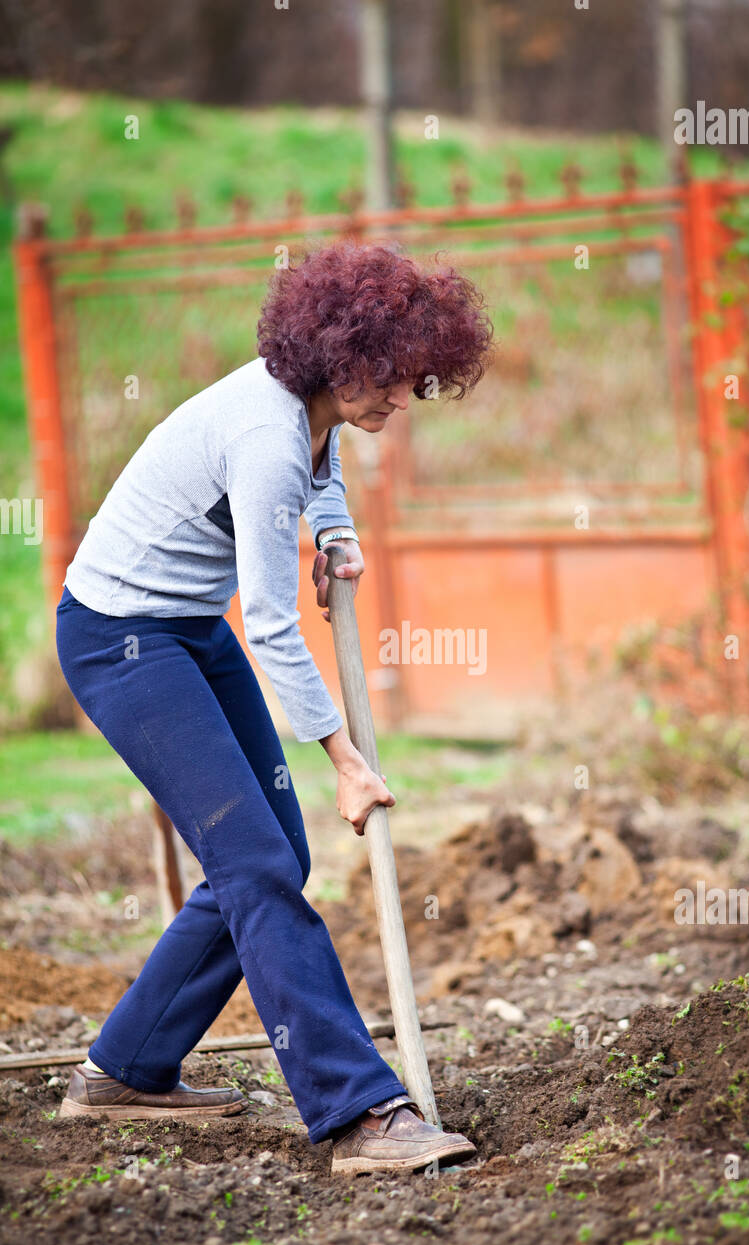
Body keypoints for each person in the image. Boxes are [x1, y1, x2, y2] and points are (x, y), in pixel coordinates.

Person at [54, 240, 493, 1175]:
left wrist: (335, 533)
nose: (403, 400)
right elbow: (270, 622)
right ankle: (358, 1112)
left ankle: (125, 1069)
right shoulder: (262, 436)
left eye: (418, 380)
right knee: (255, 860)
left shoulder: (309, 414)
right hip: (122, 639)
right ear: (338, 357)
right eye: (393, 378)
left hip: (184, 627)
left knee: (270, 856)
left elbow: (320, 468)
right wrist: (342, 758)